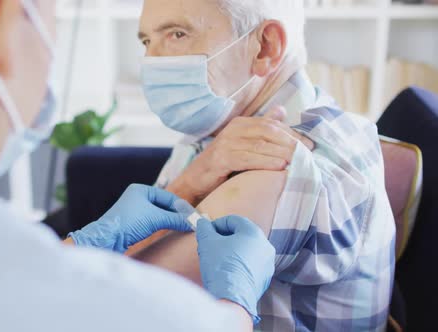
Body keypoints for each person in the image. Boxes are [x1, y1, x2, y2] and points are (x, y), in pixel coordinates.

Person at [0, 0, 295, 331]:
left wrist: (81, 245)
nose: (153, 60)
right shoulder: (139, 314)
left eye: (176, 35)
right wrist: (233, 309)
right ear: (2, 28)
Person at [130, 0, 396, 331]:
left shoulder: (275, 162)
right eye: (146, 41)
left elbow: (124, 301)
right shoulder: (221, 122)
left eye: (178, 34)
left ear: (265, 48)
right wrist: (188, 182)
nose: (150, 61)